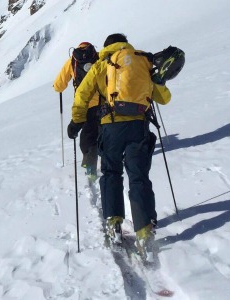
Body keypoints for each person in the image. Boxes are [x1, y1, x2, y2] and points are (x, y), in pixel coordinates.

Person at [68, 33, 172, 263]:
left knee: (112, 173)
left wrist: (77, 121)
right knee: (139, 176)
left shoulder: (102, 64)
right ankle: (144, 231)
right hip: (139, 125)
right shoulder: (141, 61)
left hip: (111, 127)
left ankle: (114, 222)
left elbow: (82, 94)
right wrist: (159, 82)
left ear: (107, 47)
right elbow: (163, 98)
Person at [53, 42, 102, 181]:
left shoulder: (73, 61)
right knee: (104, 132)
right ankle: (107, 160)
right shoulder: (98, 57)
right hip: (102, 103)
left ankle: (91, 169)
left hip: (84, 105)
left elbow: (58, 85)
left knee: (88, 136)